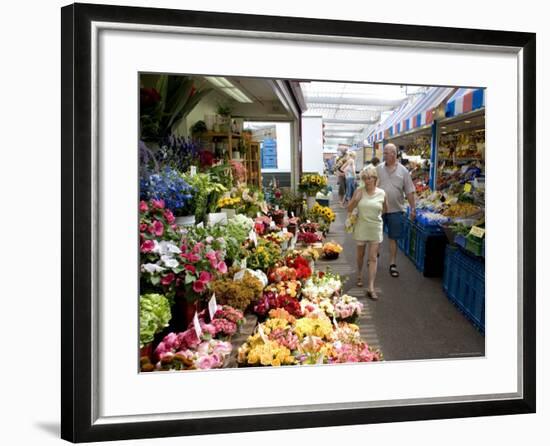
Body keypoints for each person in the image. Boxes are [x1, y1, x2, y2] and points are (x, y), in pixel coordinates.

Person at [347, 167, 388, 300]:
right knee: (360, 255)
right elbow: (349, 208)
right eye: (364, 178)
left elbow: (385, 209)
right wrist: (355, 200)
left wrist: (376, 218)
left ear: (375, 178)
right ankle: (359, 273)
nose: (367, 181)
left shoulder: (382, 193)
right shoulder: (359, 191)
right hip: (361, 227)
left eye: (369, 178)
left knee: (373, 258)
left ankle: (371, 287)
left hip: (375, 228)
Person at [376, 143, 416, 278]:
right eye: (384, 152)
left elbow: (409, 191)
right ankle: (375, 256)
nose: (385, 155)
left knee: (393, 238)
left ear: (394, 154)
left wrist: (413, 208)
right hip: (379, 210)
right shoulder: (378, 169)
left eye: (387, 152)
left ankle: (392, 264)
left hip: (396, 210)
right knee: (377, 236)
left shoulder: (403, 171)